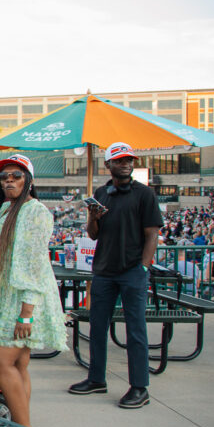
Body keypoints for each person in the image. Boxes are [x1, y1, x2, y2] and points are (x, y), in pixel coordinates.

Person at [68, 142, 161, 410]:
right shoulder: (101, 193)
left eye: (129, 160)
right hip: (104, 271)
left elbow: (152, 234)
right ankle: (96, 378)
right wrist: (93, 217)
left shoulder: (144, 194)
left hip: (132, 271)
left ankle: (139, 387)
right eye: (119, 161)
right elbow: (93, 234)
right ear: (108, 164)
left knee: (136, 331)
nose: (126, 164)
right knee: (97, 327)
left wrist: (143, 268)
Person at [0, 155, 67, 427]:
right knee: (18, 365)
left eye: (16, 176)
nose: (8, 180)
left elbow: (34, 262)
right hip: (5, 295)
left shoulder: (36, 211)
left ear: (29, 181)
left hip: (23, 299)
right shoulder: (7, 210)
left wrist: (27, 313)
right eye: (4, 176)